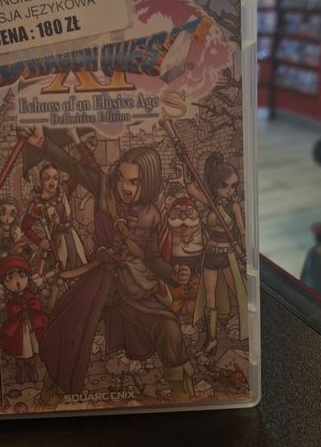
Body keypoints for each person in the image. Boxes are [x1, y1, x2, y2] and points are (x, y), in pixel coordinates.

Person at [21, 125, 195, 404]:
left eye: (134, 182)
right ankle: (51, 392)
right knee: (71, 325)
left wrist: (174, 274)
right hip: (101, 279)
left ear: (148, 181)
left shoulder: (152, 214)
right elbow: (74, 167)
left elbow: (152, 259)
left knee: (169, 329)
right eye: (122, 179)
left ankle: (182, 397)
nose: (125, 187)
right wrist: (43, 144)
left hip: (133, 288)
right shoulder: (105, 190)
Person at [185, 153, 248, 355]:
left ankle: (247, 329)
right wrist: (185, 163)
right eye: (224, 185)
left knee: (239, 292)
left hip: (228, 255)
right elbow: (191, 189)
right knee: (210, 298)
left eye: (233, 186)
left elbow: (242, 230)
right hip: (211, 255)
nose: (230, 190)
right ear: (215, 185)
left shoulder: (234, 206)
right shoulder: (211, 201)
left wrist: (246, 251)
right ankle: (211, 340)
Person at [21, 163, 87, 310]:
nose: (52, 182)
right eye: (47, 178)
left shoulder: (63, 190)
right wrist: (39, 241)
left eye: (55, 178)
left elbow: (78, 171)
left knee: (78, 270)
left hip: (72, 237)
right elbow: (25, 227)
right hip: (55, 242)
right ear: (41, 181)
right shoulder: (37, 203)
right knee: (57, 277)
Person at [0, 255, 47, 384]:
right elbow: (9, 312)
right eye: (10, 278)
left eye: (22, 276)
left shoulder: (31, 293)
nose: (17, 282)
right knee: (21, 351)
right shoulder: (10, 299)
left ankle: (32, 369)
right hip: (18, 328)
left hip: (32, 325)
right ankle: (20, 370)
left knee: (33, 349)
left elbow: (37, 304)